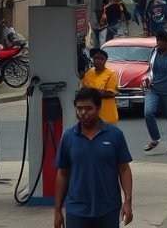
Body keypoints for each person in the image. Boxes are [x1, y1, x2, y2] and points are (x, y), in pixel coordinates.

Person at [54, 87, 133, 228]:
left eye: (88, 108)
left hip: (108, 209)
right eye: (79, 108)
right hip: (76, 211)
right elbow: (63, 173)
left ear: (98, 108)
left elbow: (124, 169)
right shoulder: (68, 137)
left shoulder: (115, 135)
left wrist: (127, 201)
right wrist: (57, 210)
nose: (83, 113)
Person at [79, 48, 119, 125]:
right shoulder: (88, 73)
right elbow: (82, 90)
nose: (98, 61)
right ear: (93, 60)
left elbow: (109, 93)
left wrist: (89, 92)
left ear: (105, 61)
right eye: (96, 58)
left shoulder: (111, 74)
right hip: (91, 117)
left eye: (101, 59)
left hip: (107, 117)